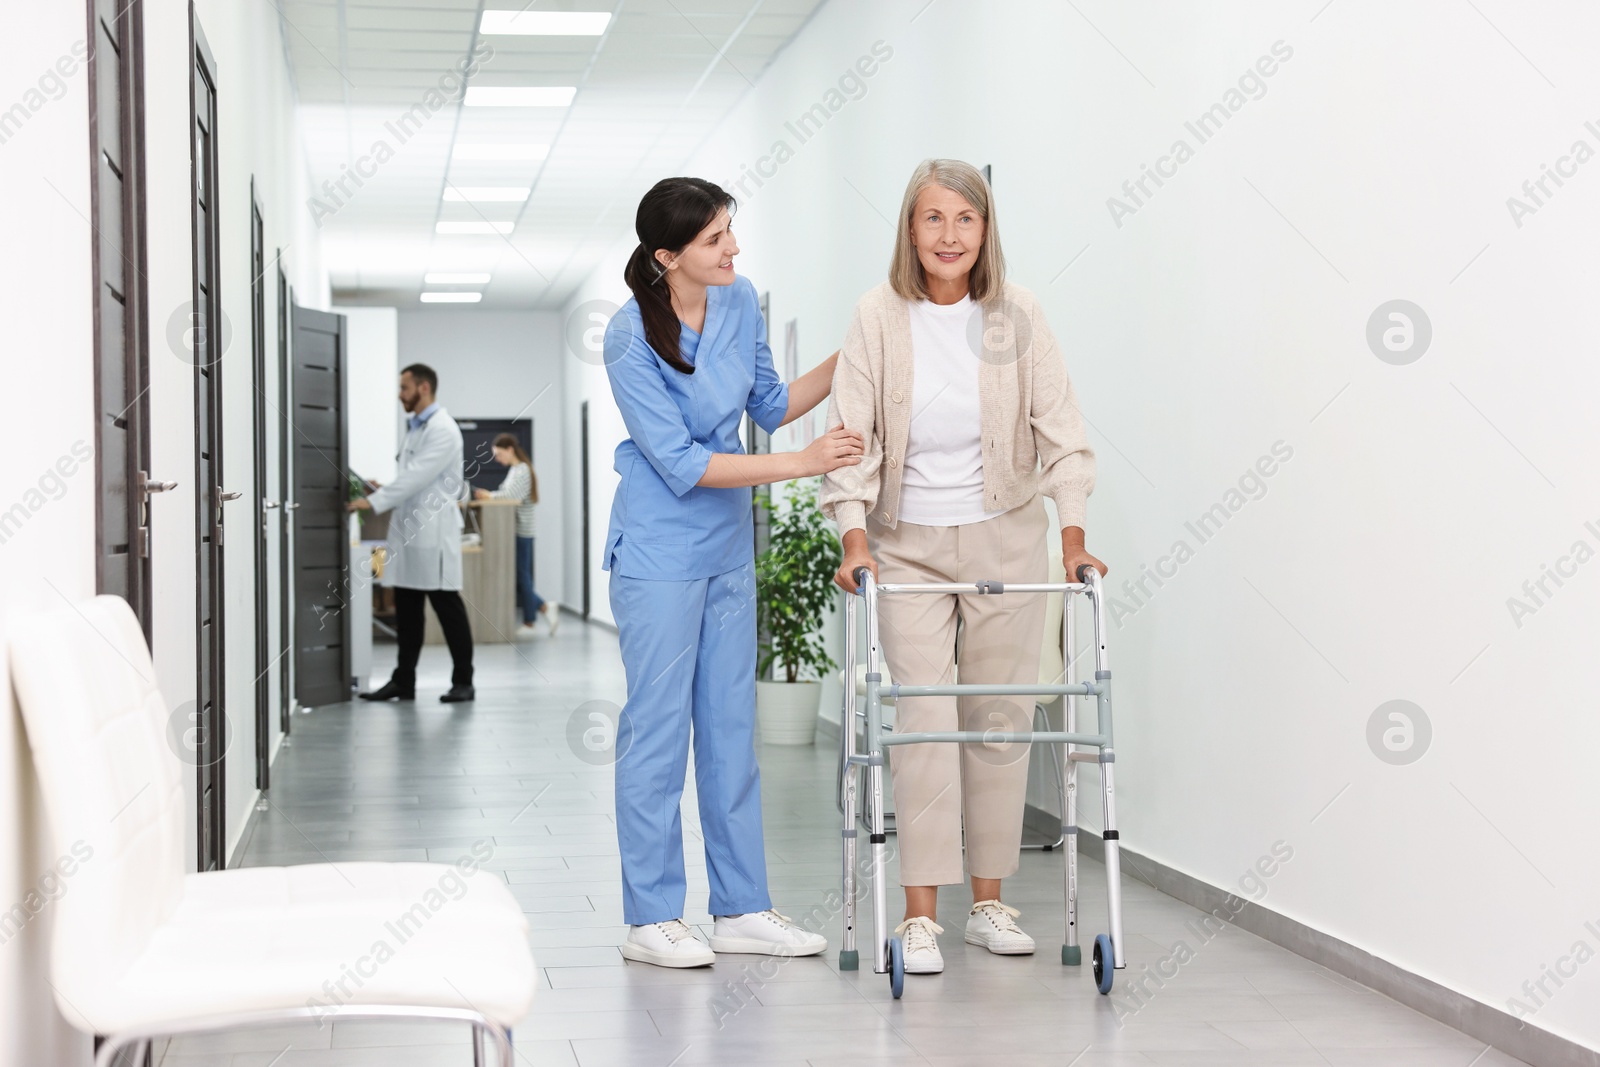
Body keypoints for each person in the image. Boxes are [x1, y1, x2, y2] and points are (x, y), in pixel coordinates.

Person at [821, 158, 1106, 975]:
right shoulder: (877, 316)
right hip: (903, 541)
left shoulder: (1018, 314)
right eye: (932, 219)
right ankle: (920, 916)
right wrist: (854, 537)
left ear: (987, 230)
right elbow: (851, 437)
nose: (949, 236)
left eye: (965, 220)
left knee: (997, 717)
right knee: (921, 719)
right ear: (910, 230)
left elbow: (1062, 431)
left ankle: (988, 901)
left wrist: (1073, 534)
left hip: (1005, 536)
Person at [603, 176, 862, 968]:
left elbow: (775, 401)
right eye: (716, 238)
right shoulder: (626, 336)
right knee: (657, 733)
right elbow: (679, 462)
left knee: (729, 732)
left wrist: (862, 351)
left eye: (730, 234)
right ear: (667, 255)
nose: (733, 249)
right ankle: (650, 917)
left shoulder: (740, 299)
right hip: (657, 552)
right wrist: (805, 464)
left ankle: (741, 907)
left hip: (724, 549)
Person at [350, 364, 476, 704]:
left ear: (423, 388)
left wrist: (372, 501)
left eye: (404, 388)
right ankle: (403, 681)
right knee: (407, 611)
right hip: (411, 531)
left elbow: (419, 476)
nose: (399, 394)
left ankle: (464, 681)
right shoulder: (417, 428)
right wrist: (384, 488)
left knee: (448, 608)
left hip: (433, 533)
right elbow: (412, 478)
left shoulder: (443, 429)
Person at [472, 434, 557, 639]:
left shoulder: (523, 471)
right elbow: (506, 493)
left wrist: (489, 495)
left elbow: (511, 496)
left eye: (499, 454)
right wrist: (491, 495)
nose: (497, 459)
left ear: (510, 449)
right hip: (516, 530)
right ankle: (540, 611)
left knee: (522, 577)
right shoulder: (515, 470)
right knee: (520, 576)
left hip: (522, 531)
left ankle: (536, 615)